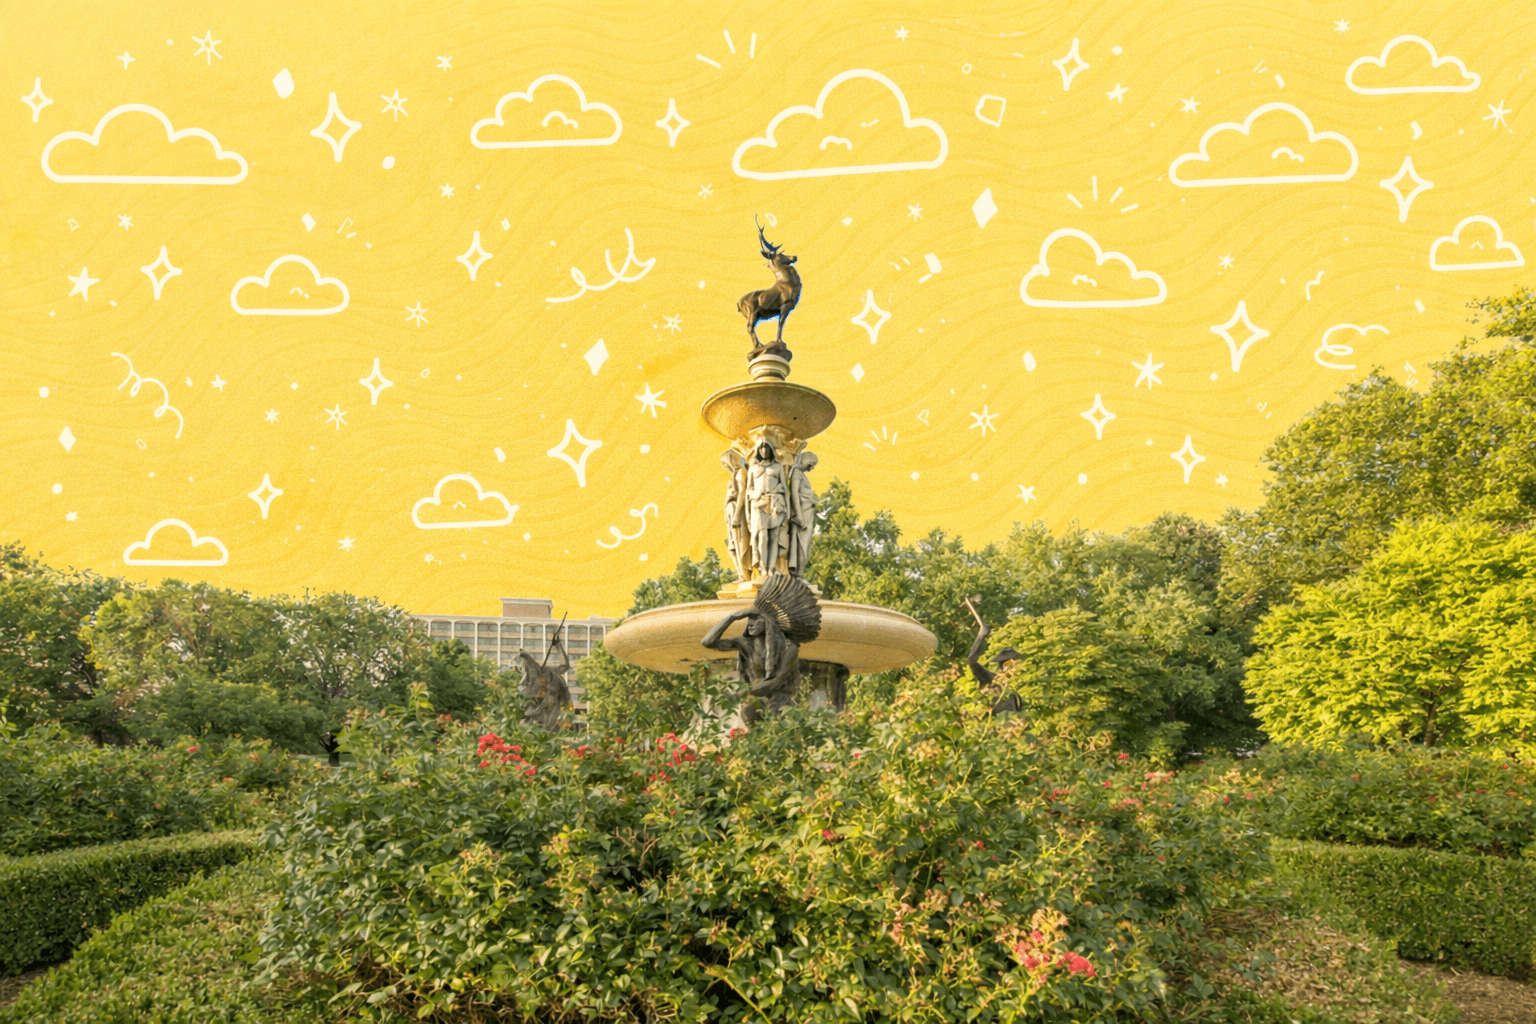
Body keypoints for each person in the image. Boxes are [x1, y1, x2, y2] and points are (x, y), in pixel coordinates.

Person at [745, 440, 788, 578]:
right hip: (759, 504)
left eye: (766, 448)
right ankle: (763, 568)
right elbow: (748, 489)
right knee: (763, 537)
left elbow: (785, 488)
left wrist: (788, 509)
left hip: (775, 503)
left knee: (774, 538)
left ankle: (771, 569)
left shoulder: (777, 467)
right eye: (761, 448)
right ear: (758, 451)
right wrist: (748, 511)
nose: (764, 451)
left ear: (770, 450)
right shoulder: (753, 468)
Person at [787, 451, 818, 575]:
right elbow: (794, 494)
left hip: (807, 513)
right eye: (812, 464)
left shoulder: (801, 474)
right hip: (802, 516)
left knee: (806, 547)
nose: (812, 468)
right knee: (802, 546)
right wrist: (799, 517)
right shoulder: (797, 473)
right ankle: (798, 574)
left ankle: (799, 574)